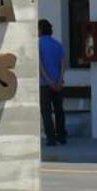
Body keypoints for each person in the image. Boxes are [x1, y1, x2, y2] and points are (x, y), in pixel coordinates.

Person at [38, 18, 68, 146]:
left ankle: (51, 138)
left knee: (46, 112)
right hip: (58, 83)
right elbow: (63, 64)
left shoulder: (38, 44)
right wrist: (59, 80)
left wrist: (48, 81)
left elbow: (40, 65)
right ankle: (61, 136)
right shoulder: (58, 44)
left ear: (39, 30)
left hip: (44, 84)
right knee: (59, 110)